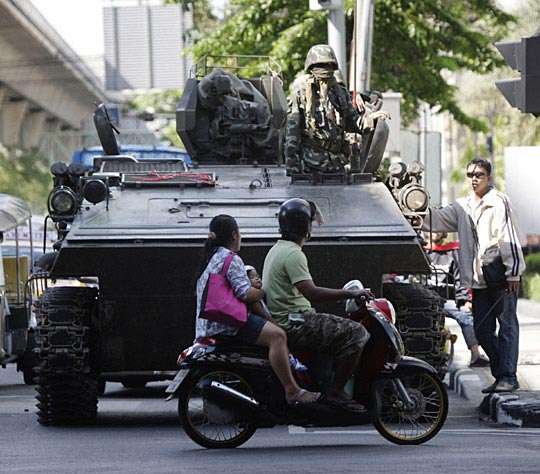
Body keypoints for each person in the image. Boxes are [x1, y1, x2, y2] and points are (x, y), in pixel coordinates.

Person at [195, 214, 320, 405]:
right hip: (228, 324)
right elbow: (245, 294)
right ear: (235, 235)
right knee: (277, 335)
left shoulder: (212, 258)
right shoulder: (231, 258)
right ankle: (292, 390)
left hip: (211, 324)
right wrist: (261, 291)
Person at [424, 159, 525, 393]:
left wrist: (514, 273)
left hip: (501, 277)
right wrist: (414, 206)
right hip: (479, 281)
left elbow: (509, 237)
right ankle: (502, 374)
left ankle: (507, 377)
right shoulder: (463, 206)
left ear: (488, 177)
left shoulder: (499, 202)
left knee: (507, 326)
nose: (474, 179)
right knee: (481, 330)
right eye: (470, 174)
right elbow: (436, 220)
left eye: (479, 174)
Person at [262, 198, 371, 411]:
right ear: (304, 226)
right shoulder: (293, 254)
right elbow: (311, 292)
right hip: (296, 322)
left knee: (333, 331)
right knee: (358, 333)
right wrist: (351, 292)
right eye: (310, 222)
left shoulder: (278, 249)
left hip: (288, 319)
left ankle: (321, 381)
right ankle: (336, 391)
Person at [284, 44, 366, 174]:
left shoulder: (341, 94)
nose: (325, 70)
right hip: (311, 167)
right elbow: (292, 136)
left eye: (329, 65)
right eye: (321, 66)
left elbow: (354, 121)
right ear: (311, 69)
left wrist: (371, 120)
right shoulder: (301, 96)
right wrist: (292, 169)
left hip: (337, 166)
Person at [424, 231, 489, 367]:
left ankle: (475, 354)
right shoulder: (421, 251)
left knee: (465, 314)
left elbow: (461, 278)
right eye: (433, 228)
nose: (435, 232)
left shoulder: (453, 251)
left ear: (444, 232)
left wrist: (465, 300)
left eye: (439, 229)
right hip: (425, 299)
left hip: (448, 300)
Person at [245, 264, 307, 371]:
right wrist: (277, 325)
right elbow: (265, 316)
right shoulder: (253, 301)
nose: (257, 278)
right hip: (265, 325)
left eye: (257, 276)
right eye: (251, 277)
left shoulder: (260, 296)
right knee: (279, 335)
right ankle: (289, 359)